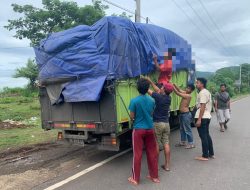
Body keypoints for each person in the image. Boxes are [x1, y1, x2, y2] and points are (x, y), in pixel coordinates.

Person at [128, 78, 159, 185]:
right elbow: (151, 113)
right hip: (150, 129)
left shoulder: (134, 101)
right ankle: (154, 176)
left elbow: (132, 116)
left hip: (138, 130)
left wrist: (134, 118)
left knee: (137, 154)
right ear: (147, 89)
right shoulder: (152, 100)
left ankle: (135, 179)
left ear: (137, 88)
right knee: (152, 153)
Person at [145, 77, 173, 171]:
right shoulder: (168, 98)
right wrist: (150, 81)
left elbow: (148, 90)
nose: (160, 88)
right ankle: (167, 165)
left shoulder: (158, 97)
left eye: (162, 87)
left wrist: (146, 83)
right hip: (166, 123)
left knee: (156, 144)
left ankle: (155, 166)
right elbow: (157, 90)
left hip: (157, 123)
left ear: (164, 90)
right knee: (166, 143)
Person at [195, 78, 215, 161]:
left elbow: (202, 106)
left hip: (202, 117)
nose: (196, 84)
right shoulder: (207, 92)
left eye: (198, 83)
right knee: (206, 135)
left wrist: (199, 119)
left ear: (202, 84)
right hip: (207, 116)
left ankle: (205, 156)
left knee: (203, 136)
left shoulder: (202, 93)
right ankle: (211, 153)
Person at [173, 83, 196, 149]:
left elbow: (177, 93)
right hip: (182, 114)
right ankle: (183, 142)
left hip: (186, 114)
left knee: (187, 129)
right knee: (182, 129)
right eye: (187, 87)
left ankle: (191, 143)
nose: (186, 89)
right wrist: (174, 84)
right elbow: (179, 90)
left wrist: (172, 87)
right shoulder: (186, 93)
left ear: (191, 91)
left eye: (188, 88)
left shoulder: (188, 96)